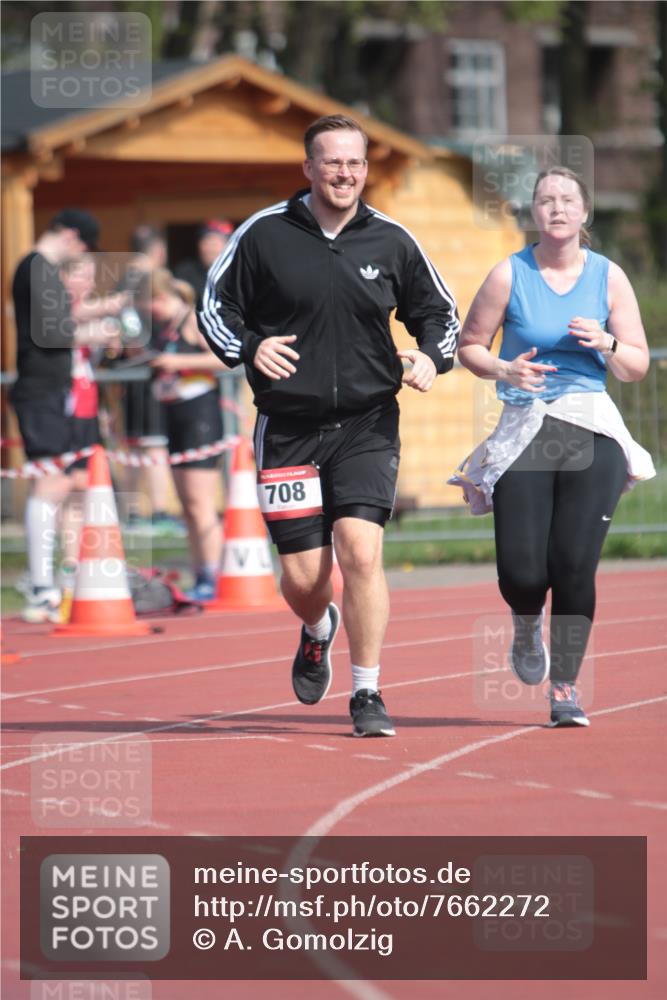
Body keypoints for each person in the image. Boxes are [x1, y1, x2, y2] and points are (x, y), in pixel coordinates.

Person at [198, 114, 460, 737]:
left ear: (365, 170)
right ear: (309, 168)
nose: (345, 174)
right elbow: (214, 305)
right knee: (305, 579)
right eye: (333, 162)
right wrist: (248, 346)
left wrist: (429, 356)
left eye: (356, 163)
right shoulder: (264, 234)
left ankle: (367, 691)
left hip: (368, 421)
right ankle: (317, 628)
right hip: (288, 426)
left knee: (361, 552)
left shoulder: (392, 239)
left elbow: (439, 313)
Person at [450, 166, 654, 728]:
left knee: (573, 563)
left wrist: (609, 342)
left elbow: (635, 365)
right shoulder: (507, 274)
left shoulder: (609, 277)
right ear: (533, 213)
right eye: (546, 200)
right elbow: (469, 346)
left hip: (590, 425)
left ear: (584, 212)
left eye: (567, 199)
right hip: (527, 426)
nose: (557, 208)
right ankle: (523, 621)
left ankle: (565, 687)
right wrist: (503, 367)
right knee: (521, 569)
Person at [9, 208, 113, 622]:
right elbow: (52, 332)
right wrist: (96, 332)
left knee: (66, 483)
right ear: (72, 236)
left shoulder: (39, 269)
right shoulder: (37, 268)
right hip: (42, 389)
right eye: (83, 246)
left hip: (53, 390)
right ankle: (39, 585)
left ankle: (52, 581)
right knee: (49, 483)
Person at [138, 269, 228, 600]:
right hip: (174, 411)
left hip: (199, 412)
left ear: (161, 297)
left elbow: (225, 357)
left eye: (151, 306)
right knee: (186, 505)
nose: (150, 314)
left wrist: (176, 361)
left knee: (199, 501)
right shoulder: (166, 326)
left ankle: (214, 573)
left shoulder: (193, 319)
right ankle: (200, 571)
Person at [117, 226, 183, 536]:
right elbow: (130, 334)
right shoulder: (143, 282)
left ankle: (132, 513)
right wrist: (145, 355)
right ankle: (157, 511)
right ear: (158, 251)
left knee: (134, 445)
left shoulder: (122, 282)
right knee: (153, 444)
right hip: (147, 373)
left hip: (133, 374)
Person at [174, 220, 233, 309]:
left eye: (216, 243)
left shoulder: (236, 272)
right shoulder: (185, 271)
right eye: (207, 242)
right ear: (199, 245)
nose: (211, 249)